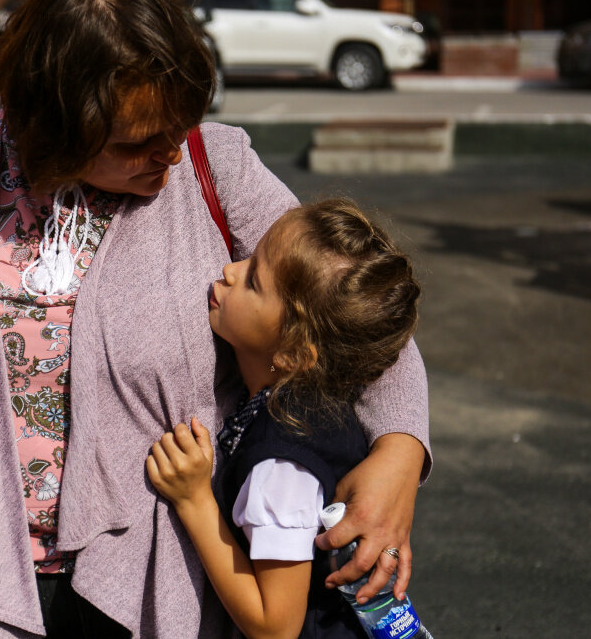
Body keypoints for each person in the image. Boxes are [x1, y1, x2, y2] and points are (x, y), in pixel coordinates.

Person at [0, 0, 430, 636]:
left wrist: (398, 453)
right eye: (138, 142)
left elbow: (352, 309)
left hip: (153, 576)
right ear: (55, 127)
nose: (170, 154)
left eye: (180, 127)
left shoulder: (212, 165)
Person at [147, 200, 421, 638]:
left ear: (294, 351)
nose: (230, 270)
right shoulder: (314, 408)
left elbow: (276, 627)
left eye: (254, 281)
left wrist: (194, 502)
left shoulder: (281, 467)